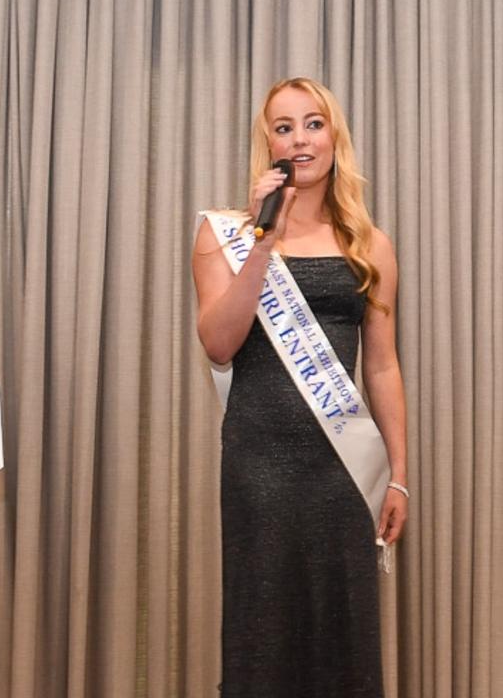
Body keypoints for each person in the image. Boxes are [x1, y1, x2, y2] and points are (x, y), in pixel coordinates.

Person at [192, 77, 409, 697]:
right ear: (268, 144)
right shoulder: (224, 234)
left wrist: (398, 474)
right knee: (263, 633)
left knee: (344, 635)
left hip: (343, 469)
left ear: (335, 136)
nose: (300, 139)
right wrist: (263, 241)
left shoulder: (372, 246)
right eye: (284, 127)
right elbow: (218, 344)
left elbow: (383, 366)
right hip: (259, 464)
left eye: (313, 124)